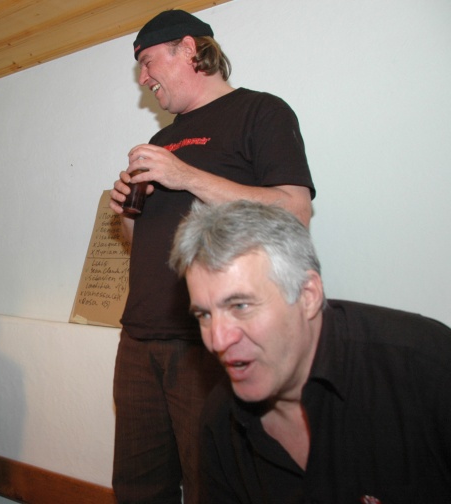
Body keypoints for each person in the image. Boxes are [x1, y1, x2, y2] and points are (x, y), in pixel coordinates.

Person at [108, 9, 315, 503]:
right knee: (137, 488)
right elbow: (146, 245)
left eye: (148, 61)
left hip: (211, 341)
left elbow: (295, 211)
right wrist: (128, 215)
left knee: (216, 485)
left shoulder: (261, 111)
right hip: (139, 337)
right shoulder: (161, 140)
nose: (144, 77)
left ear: (187, 48)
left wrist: (186, 176)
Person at [169, 200, 451, 503]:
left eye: (240, 306)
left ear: (308, 295)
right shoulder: (220, 422)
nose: (217, 340)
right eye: (204, 315)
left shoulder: (428, 369)